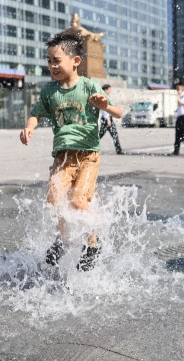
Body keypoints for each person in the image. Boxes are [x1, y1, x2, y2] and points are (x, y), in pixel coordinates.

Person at [20, 33, 123, 271]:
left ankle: (92, 243)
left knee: (77, 201)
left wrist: (104, 105)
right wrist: (29, 127)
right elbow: (36, 113)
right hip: (62, 157)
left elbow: (117, 112)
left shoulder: (88, 86)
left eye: (56, 60)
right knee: (54, 198)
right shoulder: (49, 92)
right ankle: (63, 240)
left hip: (88, 155)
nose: (52, 66)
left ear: (75, 61)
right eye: (49, 61)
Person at [99, 84, 124, 155]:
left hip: (107, 119)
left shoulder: (105, 96)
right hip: (107, 119)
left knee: (104, 135)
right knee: (103, 135)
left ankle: (119, 151)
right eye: (109, 89)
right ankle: (119, 151)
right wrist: (108, 120)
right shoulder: (103, 97)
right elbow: (104, 110)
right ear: (106, 89)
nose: (110, 91)